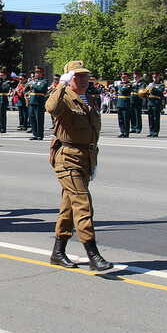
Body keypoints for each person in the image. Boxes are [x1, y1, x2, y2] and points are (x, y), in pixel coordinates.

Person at [45, 60, 112, 272]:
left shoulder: (89, 99)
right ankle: (93, 255)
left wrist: (93, 161)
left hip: (85, 157)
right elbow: (50, 108)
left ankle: (58, 252)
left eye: (85, 76)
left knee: (68, 207)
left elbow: (93, 130)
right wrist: (61, 85)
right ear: (69, 79)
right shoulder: (63, 97)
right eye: (78, 76)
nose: (83, 80)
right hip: (68, 158)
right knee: (83, 204)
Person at [26, 66, 48, 140]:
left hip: (39, 102)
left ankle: (40, 135)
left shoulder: (44, 81)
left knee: (39, 119)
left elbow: (40, 88)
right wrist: (28, 86)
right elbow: (25, 89)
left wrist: (33, 84)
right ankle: (35, 134)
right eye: (36, 72)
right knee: (32, 118)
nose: (36, 74)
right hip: (32, 101)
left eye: (38, 72)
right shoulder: (33, 81)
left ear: (42, 73)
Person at [144, 72, 166, 137]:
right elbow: (146, 93)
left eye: (156, 77)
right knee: (150, 118)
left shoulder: (161, 85)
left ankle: (155, 132)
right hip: (150, 102)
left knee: (156, 118)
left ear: (159, 77)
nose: (155, 78)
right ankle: (151, 132)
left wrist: (153, 87)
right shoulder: (150, 84)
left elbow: (159, 92)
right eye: (154, 77)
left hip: (156, 103)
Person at [114, 73, 132, 138]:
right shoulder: (120, 84)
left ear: (128, 78)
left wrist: (120, 86)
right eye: (122, 77)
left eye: (124, 77)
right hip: (119, 103)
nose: (123, 78)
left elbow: (124, 90)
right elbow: (116, 90)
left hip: (125, 103)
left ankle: (126, 133)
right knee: (120, 119)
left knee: (126, 119)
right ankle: (122, 131)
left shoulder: (129, 84)